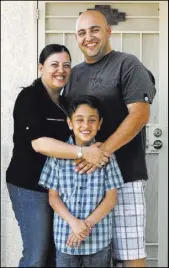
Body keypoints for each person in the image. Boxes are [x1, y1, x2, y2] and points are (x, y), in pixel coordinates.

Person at [63, 10, 156, 267]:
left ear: (108, 31)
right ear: (76, 38)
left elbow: (139, 115)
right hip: (83, 182)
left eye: (95, 30)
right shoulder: (73, 75)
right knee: (91, 255)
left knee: (130, 254)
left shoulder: (127, 64)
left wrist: (100, 153)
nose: (88, 37)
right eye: (82, 32)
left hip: (125, 176)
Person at [6, 44, 110, 267]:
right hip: (29, 186)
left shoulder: (65, 104)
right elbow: (39, 143)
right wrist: (84, 152)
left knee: (55, 254)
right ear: (41, 68)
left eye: (66, 65)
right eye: (54, 65)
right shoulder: (29, 98)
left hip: (58, 188)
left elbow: (75, 136)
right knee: (37, 254)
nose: (60, 70)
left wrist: (95, 146)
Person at [39, 95, 124, 268]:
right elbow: (53, 198)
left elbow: (111, 198)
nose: (86, 126)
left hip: (98, 239)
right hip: (66, 237)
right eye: (79, 120)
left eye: (92, 121)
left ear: (99, 124)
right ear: (70, 123)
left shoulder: (106, 156)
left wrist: (85, 226)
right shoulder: (58, 155)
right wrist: (74, 223)